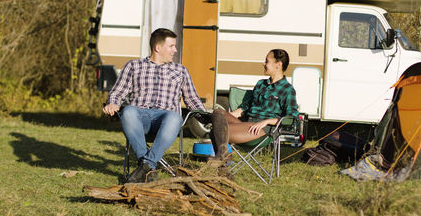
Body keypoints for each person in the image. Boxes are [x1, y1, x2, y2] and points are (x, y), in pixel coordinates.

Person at [103, 28, 206, 183]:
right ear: (158, 48)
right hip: (139, 118)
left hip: (166, 120)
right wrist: (113, 103)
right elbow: (118, 91)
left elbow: (192, 99)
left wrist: (206, 118)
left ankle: (146, 166)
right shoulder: (134, 66)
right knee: (129, 110)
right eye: (171, 46)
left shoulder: (180, 70)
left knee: (174, 116)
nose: (175, 50)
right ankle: (148, 167)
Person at [210, 49, 299, 161]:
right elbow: (246, 108)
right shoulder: (260, 84)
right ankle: (223, 157)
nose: (263, 63)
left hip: (264, 130)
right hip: (247, 124)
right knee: (218, 113)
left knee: (217, 131)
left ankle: (223, 162)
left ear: (278, 64)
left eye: (267, 61)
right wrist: (227, 116)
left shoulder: (287, 89)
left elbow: (292, 118)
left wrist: (266, 121)